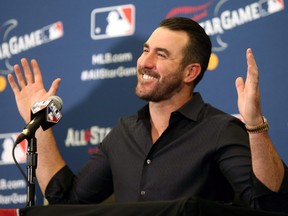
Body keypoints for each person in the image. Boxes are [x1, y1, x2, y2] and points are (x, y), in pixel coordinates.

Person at [8, 17, 288, 211]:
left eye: (161, 55)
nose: (145, 62)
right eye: (145, 51)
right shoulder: (124, 132)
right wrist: (38, 122)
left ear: (190, 72)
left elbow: (269, 202)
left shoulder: (219, 129)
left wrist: (254, 124)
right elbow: (67, 202)